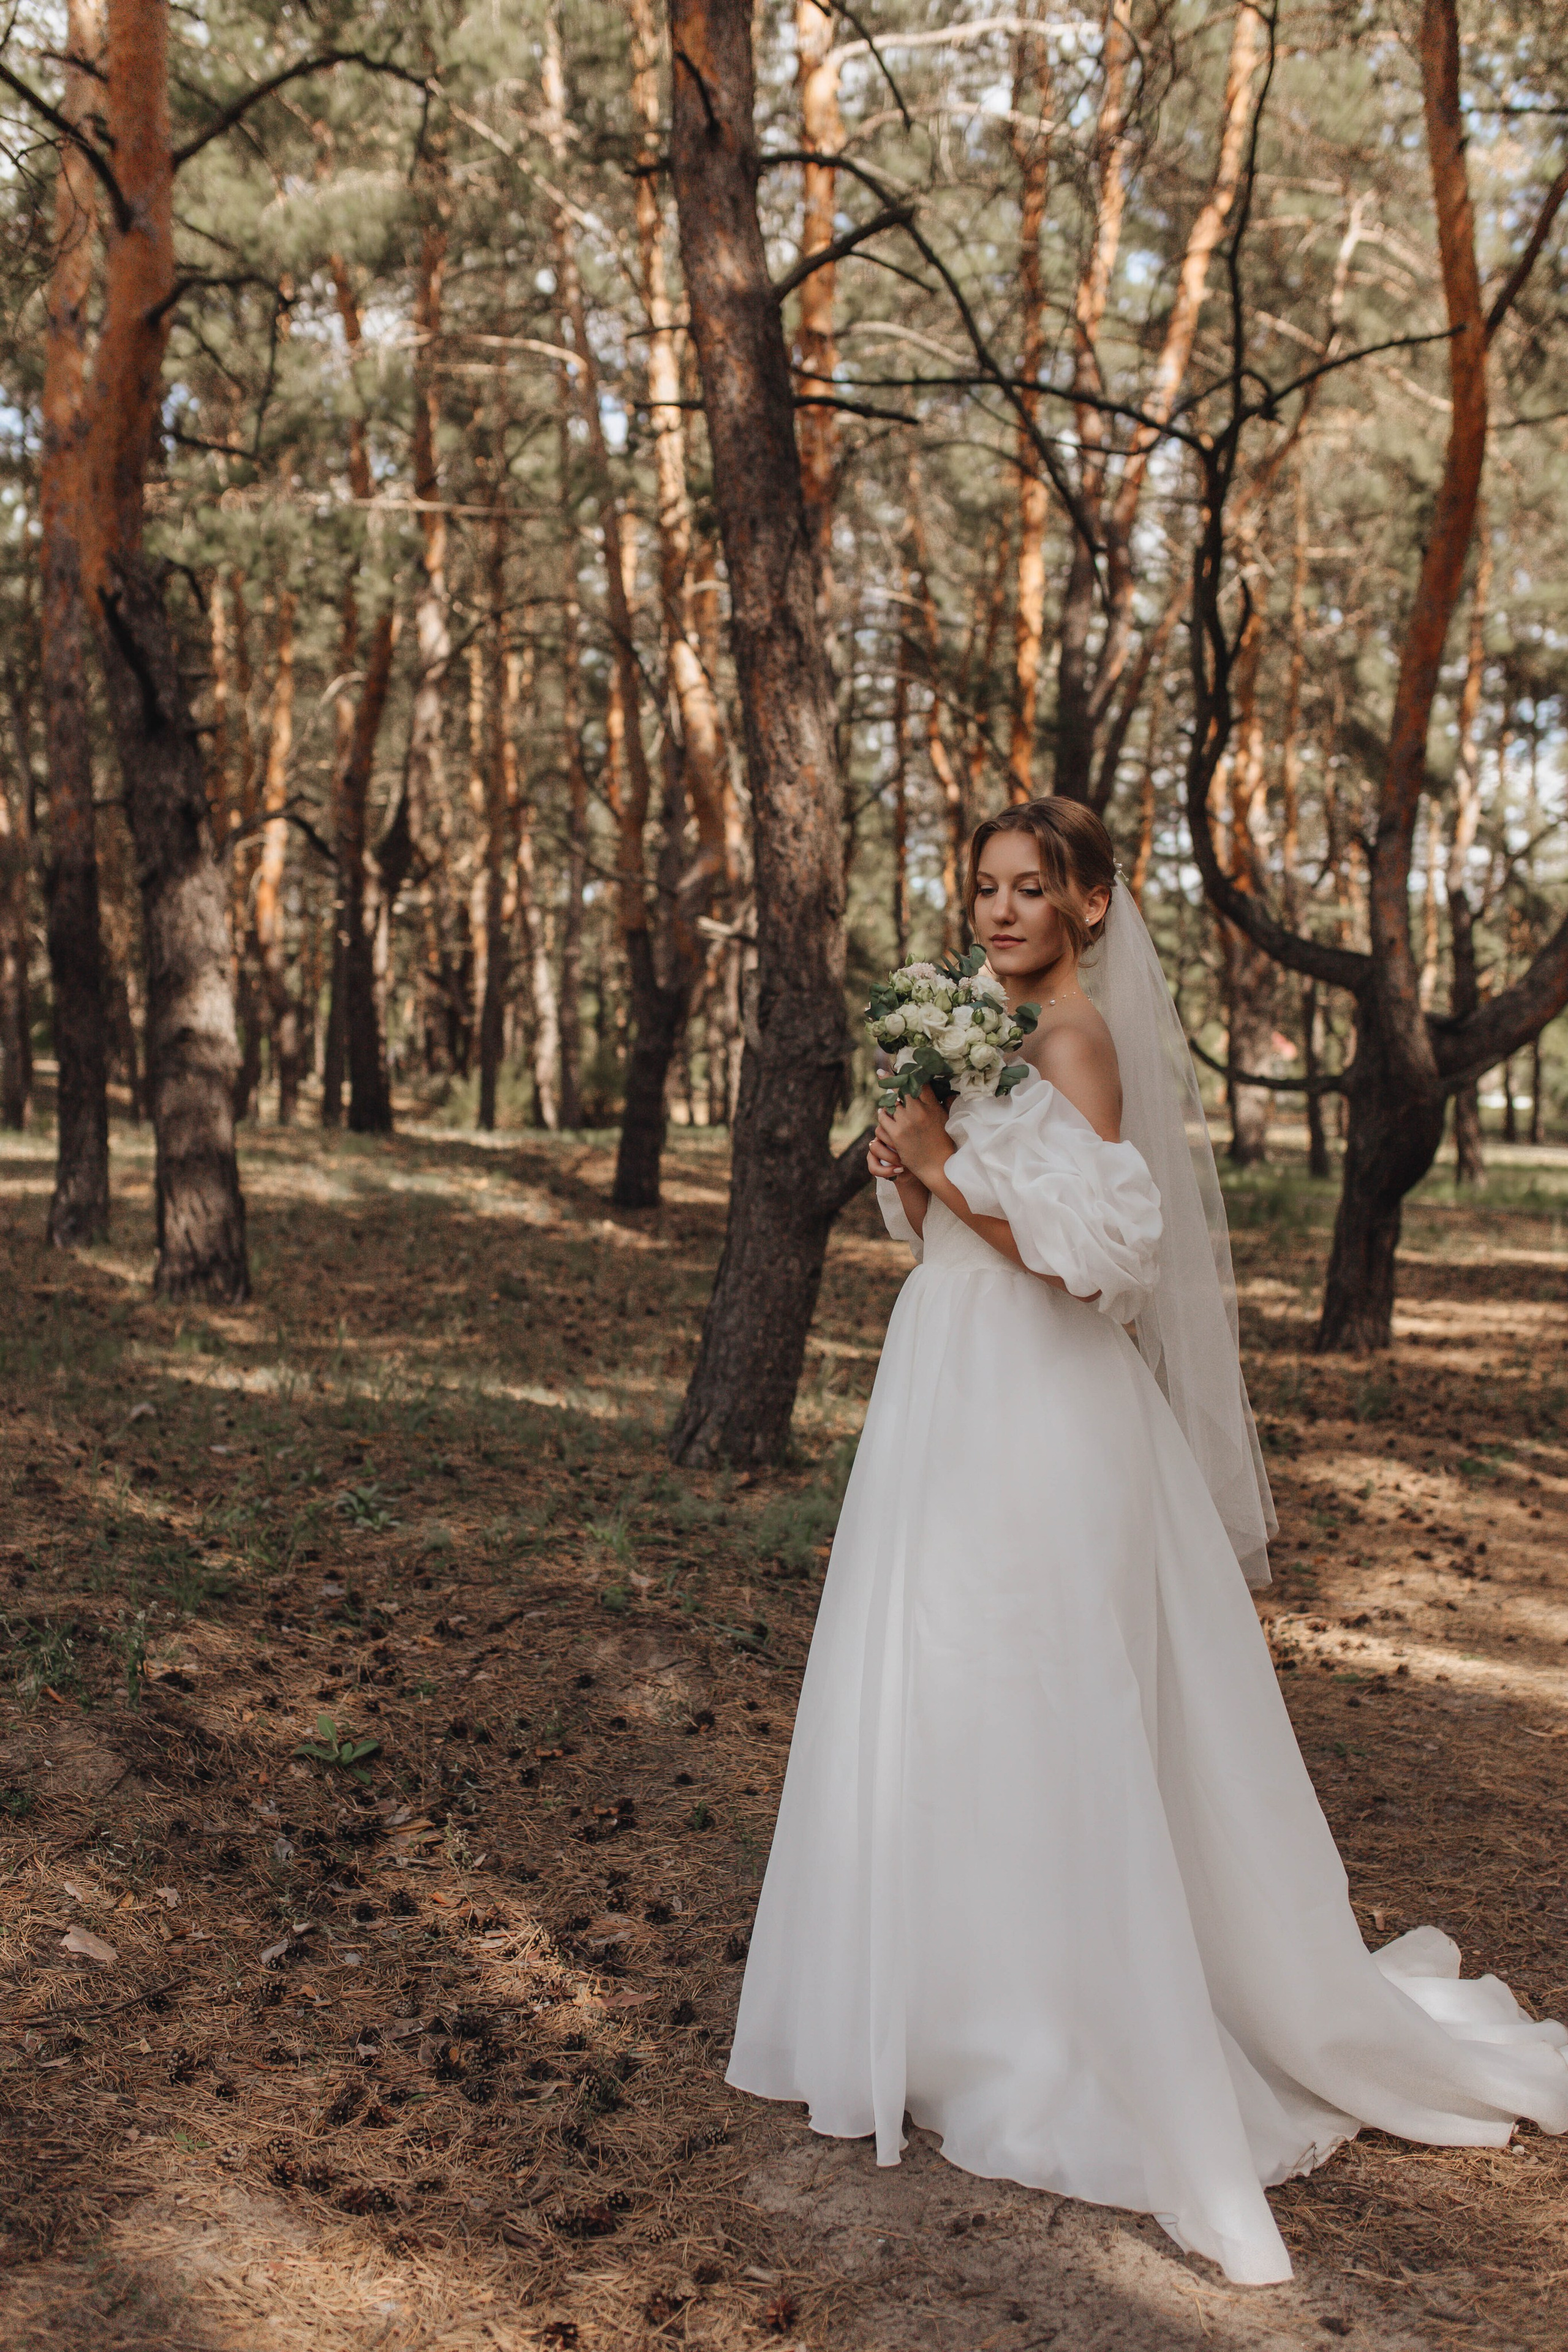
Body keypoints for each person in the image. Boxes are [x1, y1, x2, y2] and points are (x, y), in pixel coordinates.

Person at [725, 797, 1568, 2286]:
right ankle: (949, 2007)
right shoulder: (986, 1038)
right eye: (983, 887)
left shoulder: (1073, 1043)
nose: (999, 911)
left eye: (1027, 888)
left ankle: (1057, 2023)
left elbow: (1096, 1260)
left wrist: (945, 1160)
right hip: (948, 1381)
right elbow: (964, 1235)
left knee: (1042, 1691)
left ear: (1089, 905)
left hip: (1038, 1400)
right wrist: (911, 1174)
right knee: (940, 1679)